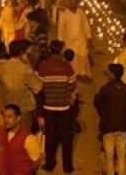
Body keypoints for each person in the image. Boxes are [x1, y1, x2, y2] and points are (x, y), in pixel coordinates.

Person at [38, 40, 76, 175]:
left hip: (48, 106)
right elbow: (72, 86)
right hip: (64, 107)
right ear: (61, 50)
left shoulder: (43, 66)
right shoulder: (67, 67)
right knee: (66, 138)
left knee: (50, 137)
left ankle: (49, 164)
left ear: (49, 49)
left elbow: (39, 87)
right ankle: (67, 166)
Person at [93, 64, 126, 175]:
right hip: (123, 127)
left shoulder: (106, 89)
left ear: (112, 74)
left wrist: (103, 114)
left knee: (109, 156)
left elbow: (97, 102)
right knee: (121, 155)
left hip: (108, 126)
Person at [0, 41, 43, 129]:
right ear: (22, 53)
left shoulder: (0, 67)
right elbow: (39, 87)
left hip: (5, 109)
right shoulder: (26, 69)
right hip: (24, 110)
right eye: (28, 54)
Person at [0, 104, 41, 175]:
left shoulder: (28, 138)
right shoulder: (0, 131)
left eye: (9, 117)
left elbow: (36, 162)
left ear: (18, 118)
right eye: (4, 116)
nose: (6, 120)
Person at [56, 0, 92, 80]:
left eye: (74, 3)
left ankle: (82, 74)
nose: (72, 5)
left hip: (81, 39)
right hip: (69, 40)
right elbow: (61, 28)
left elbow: (85, 25)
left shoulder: (81, 13)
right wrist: (60, 40)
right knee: (73, 58)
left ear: (77, 3)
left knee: (82, 56)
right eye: (70, 2)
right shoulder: (64, 14)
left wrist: (88, 37)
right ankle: (73, 74)